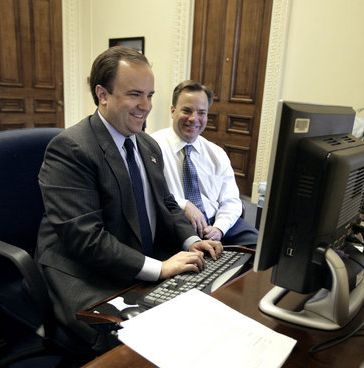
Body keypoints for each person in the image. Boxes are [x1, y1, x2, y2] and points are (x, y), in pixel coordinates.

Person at [34, 47, 221, 351]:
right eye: (135, 94)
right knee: (142, 345)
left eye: (150, 94)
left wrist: (190, 241)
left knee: (201, 314)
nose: (146, 106)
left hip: (134, 257)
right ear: (102, 94)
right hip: (86, 272)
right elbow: (86, 240)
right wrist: (159, 269)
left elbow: (167, 203)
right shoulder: (70, 149)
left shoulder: (147, 144)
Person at [151, 80, 259, 246]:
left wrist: (219, 228)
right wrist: (185, 205)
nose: (194, 119)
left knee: (260, 246)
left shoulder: (216, 154)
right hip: (177, 223)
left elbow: (231, 200)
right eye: (187, 110)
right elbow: (152, 194)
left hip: (215, 222)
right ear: (173, 111)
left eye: (201, 113)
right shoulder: (152, 146)